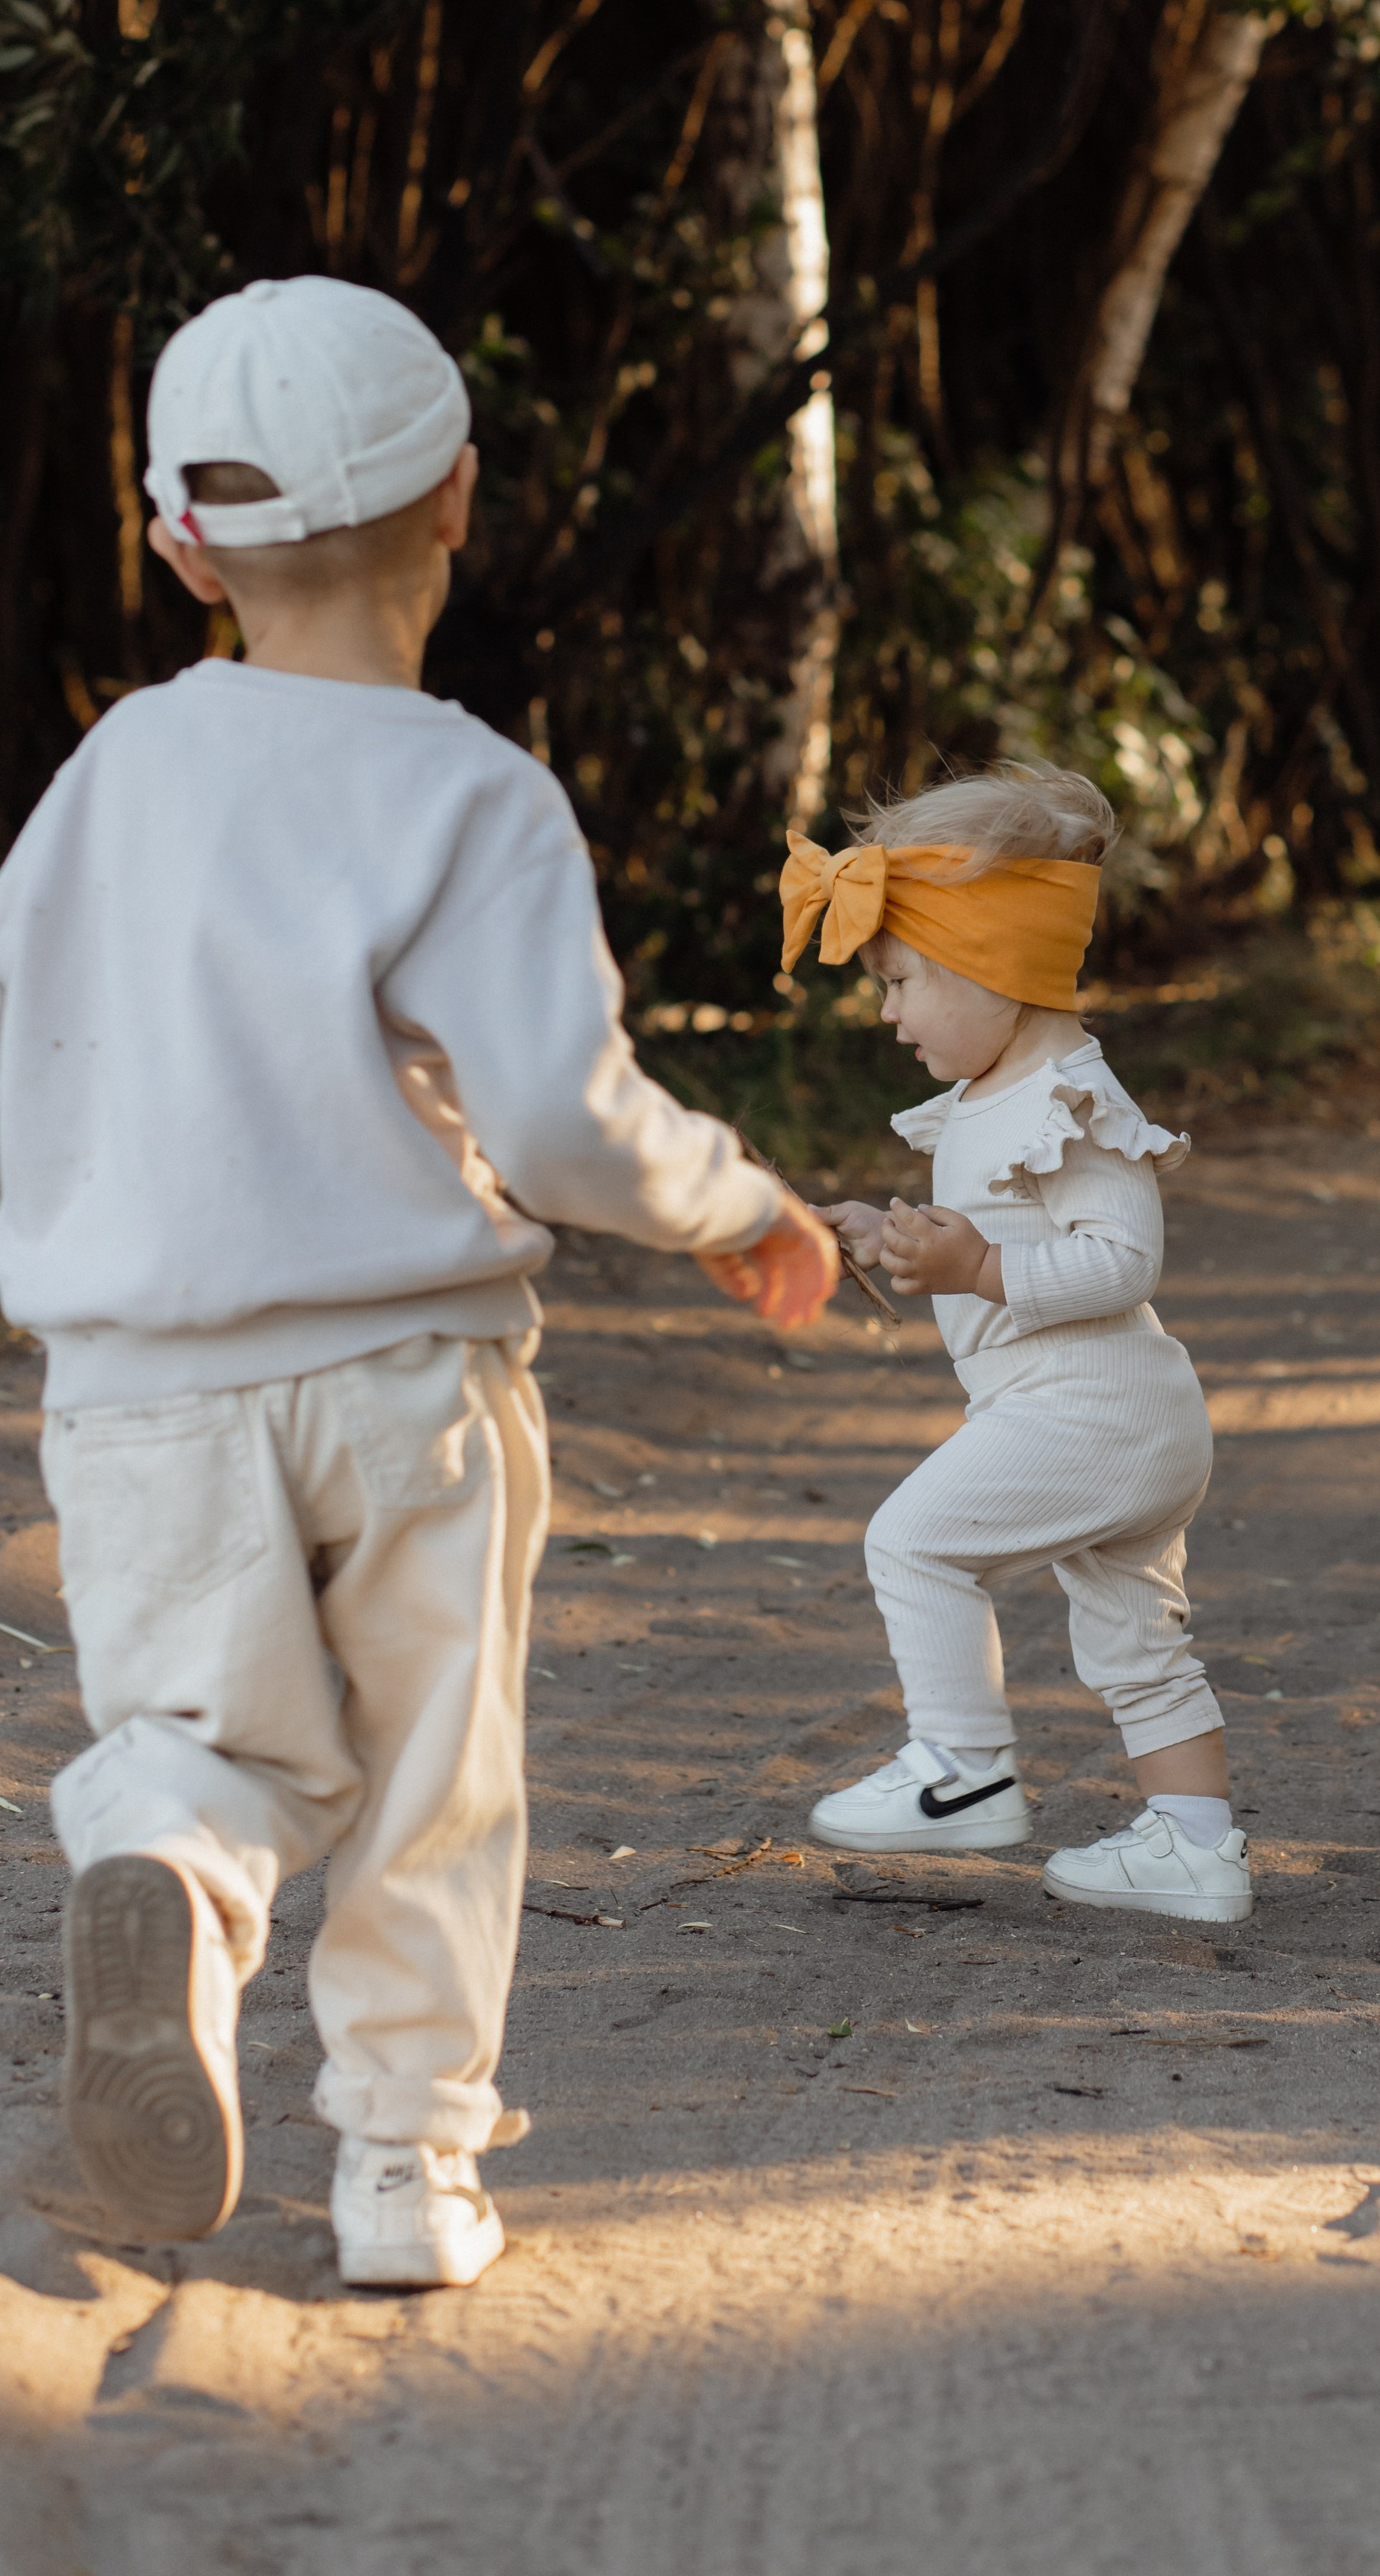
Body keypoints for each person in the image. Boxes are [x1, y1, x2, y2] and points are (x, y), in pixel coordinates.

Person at [0, 275, 837, 2288]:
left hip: (140, 1388)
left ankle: (170, 1872)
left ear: (174, 540)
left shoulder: (106, 784)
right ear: (462, 499)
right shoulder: (473, 795)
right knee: (433, 1775)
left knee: (217, 1736)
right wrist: (730, 1201)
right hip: (406, 1379)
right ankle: (406, 2178)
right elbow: (556, 1123)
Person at [783, 761, 1250, 1923]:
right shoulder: (1001, 1094)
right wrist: (888, 1237)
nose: (889, 1012)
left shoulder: (1071, 1102)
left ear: (991, 965)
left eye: (900, 983)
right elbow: (979, 1234)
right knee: (1136, 1644)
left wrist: (978, 1271)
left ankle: (962, 1771)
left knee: (914, 1546)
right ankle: (1195, 1850)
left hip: (1088, 1408)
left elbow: (1123, 1259)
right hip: (1105, 1419)